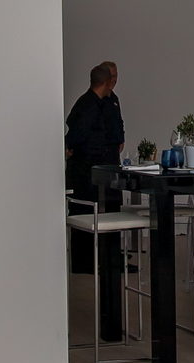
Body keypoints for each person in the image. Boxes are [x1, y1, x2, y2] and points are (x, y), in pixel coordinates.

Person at [65, 64, 118, 273]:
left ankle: (92, 261)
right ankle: (83, 263)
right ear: (106, 82)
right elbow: (76, 136)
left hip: (90, 171)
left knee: (88, 212)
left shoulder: (91, 103)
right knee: (84, 213)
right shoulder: (89, 106)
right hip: (83, 172)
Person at [100, 61, 125, 157]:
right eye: (111, 76)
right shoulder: (96, 100)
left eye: (115, 76)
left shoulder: (114, 98)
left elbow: (119, 121)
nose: (114, 79)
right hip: (101, 152)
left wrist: (121, 139)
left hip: (114, 151)